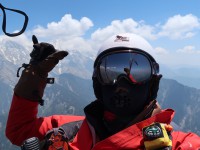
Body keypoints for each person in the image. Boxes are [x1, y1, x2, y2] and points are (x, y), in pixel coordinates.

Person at [6, 33, 200, 150]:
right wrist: (34, 74)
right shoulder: (66, 130)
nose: (123, 84)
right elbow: (19, 129)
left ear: (153, 82)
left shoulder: (180, 144)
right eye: (110, 72)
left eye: (137, 72)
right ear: (97, 82)